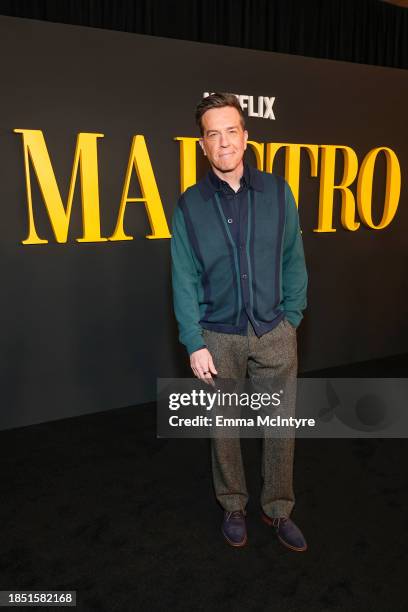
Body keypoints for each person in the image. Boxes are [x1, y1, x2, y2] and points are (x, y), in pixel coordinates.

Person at [171, 92, 308, 550]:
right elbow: (183, 276)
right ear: (203, 146)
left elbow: (293, 259)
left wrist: (292, 317)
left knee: (280, 427)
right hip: (217, 336)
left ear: (246, 137)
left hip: (274, 331)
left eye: (232, 131)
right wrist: (193, 341)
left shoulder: (278, 192)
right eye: (214, 134)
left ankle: (278, 509)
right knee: (224, 426)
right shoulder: (189, 205)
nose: (224, 142)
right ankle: (233, 503)